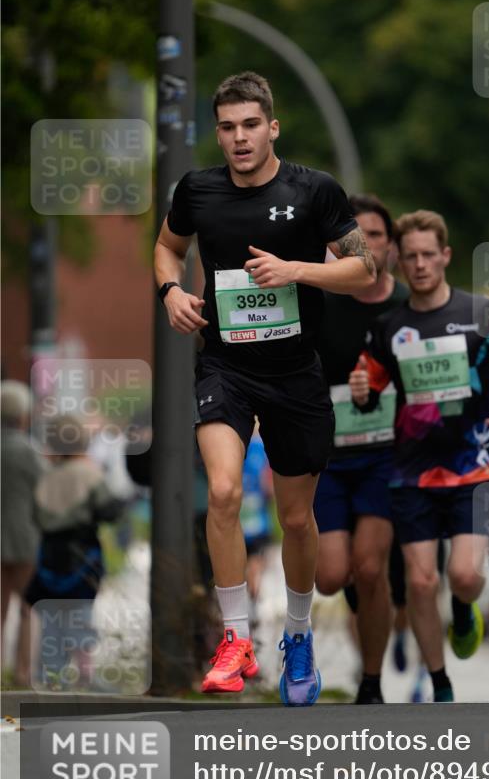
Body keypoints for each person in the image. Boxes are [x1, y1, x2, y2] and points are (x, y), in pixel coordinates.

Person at [154, 71, 375, 706]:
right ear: (216, 134)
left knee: (297, 517)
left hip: (295, 373)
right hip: (225, 365)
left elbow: (365, 266)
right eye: (227, 127)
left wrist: (295, 270)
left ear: (272, 127)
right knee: (222, 490)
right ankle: (235, 638)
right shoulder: (197, 191)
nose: (239, 137)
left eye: (251, 125)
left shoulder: (314, 191)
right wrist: (170, 291)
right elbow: (167, 249)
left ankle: (298, 638)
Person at [349, 210, 489, 701]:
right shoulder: (388, 326)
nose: (421, 264)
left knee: (464, 575)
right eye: (411, 257)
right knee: (420, 582)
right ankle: (440, 682)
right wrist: (362, 388)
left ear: (446, 256)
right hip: (410, 473)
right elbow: (368, 393)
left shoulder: (482, 313)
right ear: (399, 262)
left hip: (473, 466)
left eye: (429, 254)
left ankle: (466, 607)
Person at [314, 193, 408, 704]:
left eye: (374, 235)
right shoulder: (325, 307)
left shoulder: (408, 309)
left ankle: (371, 685)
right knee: (331, 576)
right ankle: (370, 609)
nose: (364, 244)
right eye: (353, 237)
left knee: (370, 567)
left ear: (390, 245)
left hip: (387, 457)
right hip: (329, 456)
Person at [24, 414, 123, 688]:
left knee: (50, 618)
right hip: (82, 554)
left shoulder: (46, 475)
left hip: (48, 553)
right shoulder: (89, 473)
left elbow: (35, 514)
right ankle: (86, 673)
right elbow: (109, 510)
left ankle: (50, 675)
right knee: (80, 614)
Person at [1, 381, 45, 683]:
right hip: (26, 538)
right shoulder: (30, 452)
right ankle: (23, 673)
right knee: (28, 609)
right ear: (23, 415)